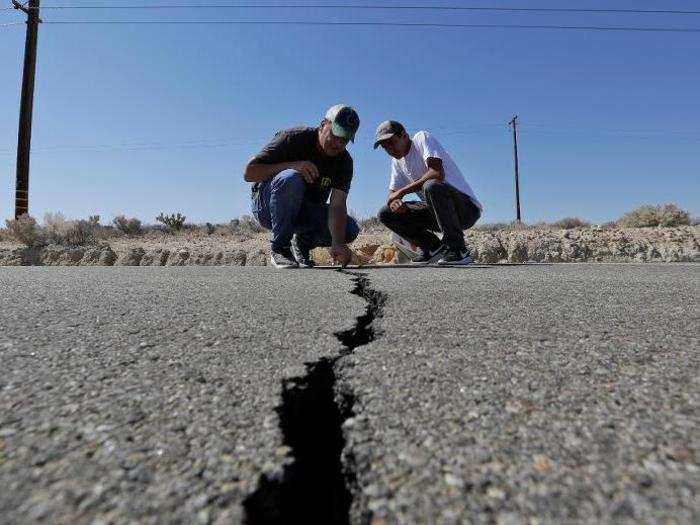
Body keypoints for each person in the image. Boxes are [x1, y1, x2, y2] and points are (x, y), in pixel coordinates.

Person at [244, 105, 361, 268]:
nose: (338, 143)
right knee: (290, 177)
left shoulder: (344, 162)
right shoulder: (293, 138)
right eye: (335, 135)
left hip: (304, 212)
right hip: (267, 207)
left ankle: (303, 244)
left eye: (345, 139)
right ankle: (280, 248)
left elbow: (338, 205)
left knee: (349, 229)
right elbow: (249, 173)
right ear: (323, 125)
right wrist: (293, 165)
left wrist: (337, 243)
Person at [374, 120, 483, 265]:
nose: (389, 149)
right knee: (386, 213)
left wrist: (402, 192)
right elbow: (392, 195)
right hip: (438, 213)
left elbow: (436, 173)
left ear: (404, 136)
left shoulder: (421, 139)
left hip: (466, 211)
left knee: (431, 186)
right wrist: (396, 203)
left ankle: (458, 250)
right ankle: (432, 248)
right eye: (384, 147)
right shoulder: (397, 162)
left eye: (391, 143)